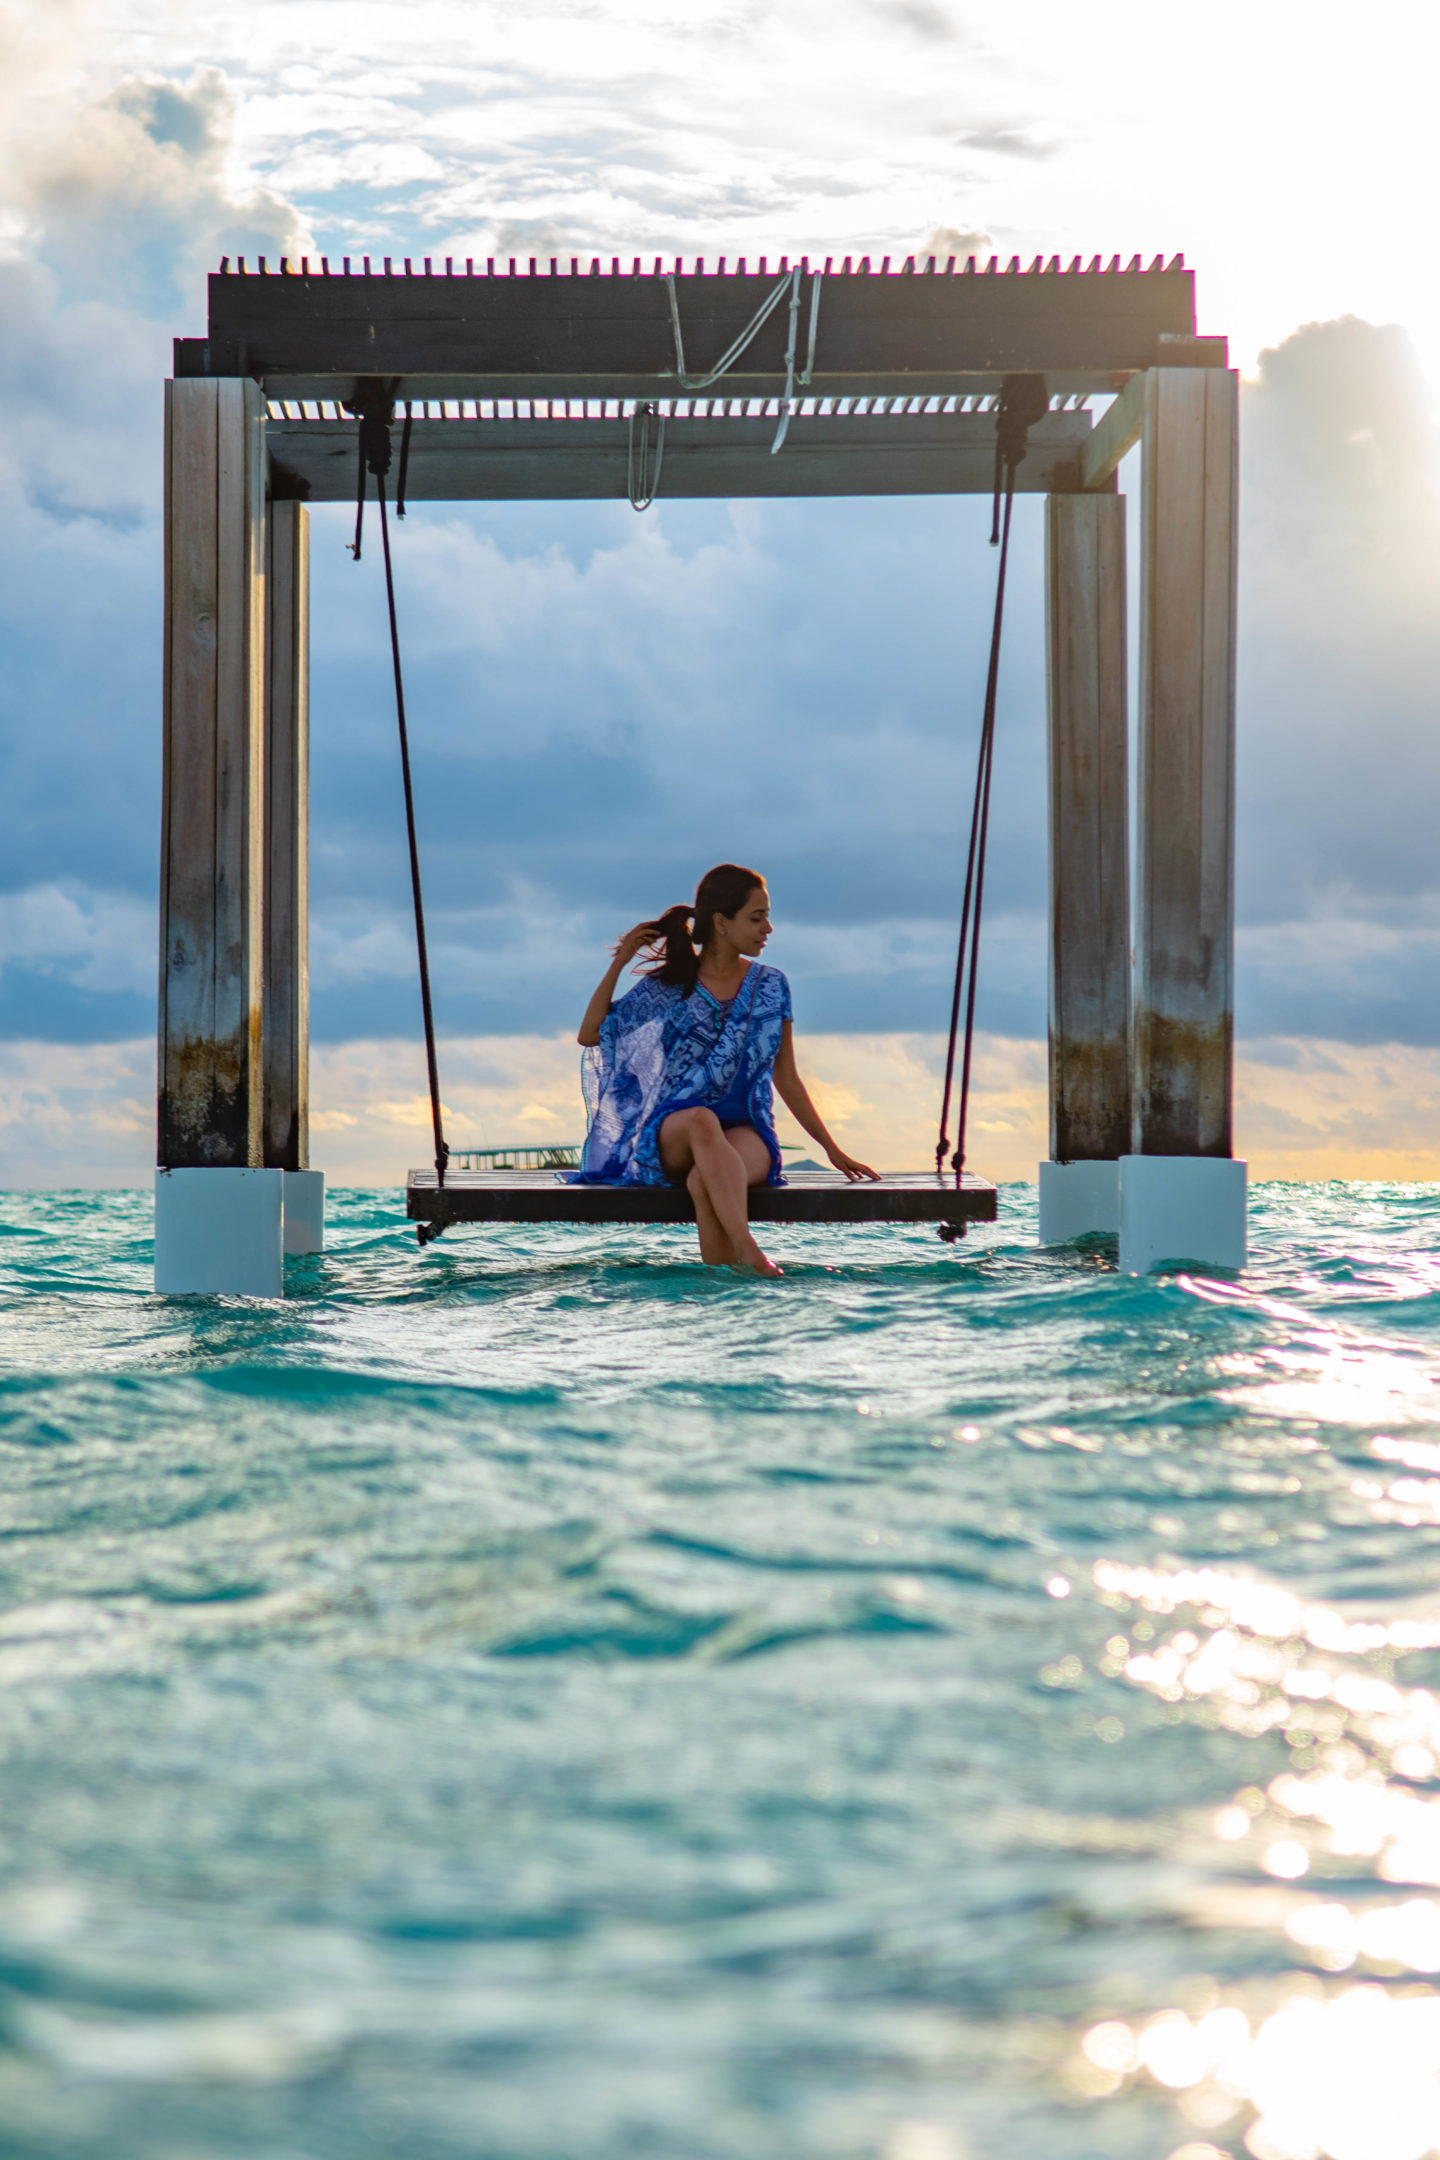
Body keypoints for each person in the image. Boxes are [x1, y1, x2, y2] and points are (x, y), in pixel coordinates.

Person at [573, 863, 878, 1275]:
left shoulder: (772, 985)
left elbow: (786, 1076)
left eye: (767, 916)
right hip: (675, 1131)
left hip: (746, 1127)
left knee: (705, 1181)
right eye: (757, 917)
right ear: (720, 922)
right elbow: (591, 1034)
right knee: (701, 1120)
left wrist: (831, 1149)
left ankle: (725, 1290)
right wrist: (620, 962)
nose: (768, 928)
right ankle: (750, 1251)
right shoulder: (671, 985)